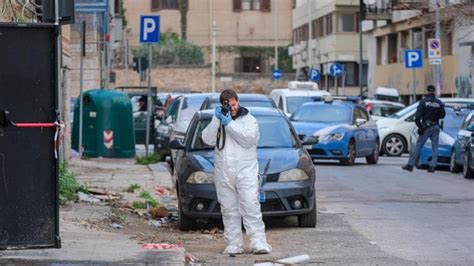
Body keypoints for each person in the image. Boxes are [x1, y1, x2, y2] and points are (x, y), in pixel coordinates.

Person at [201, 89, 272, 255]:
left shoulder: (249, 120)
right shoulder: (218, 119)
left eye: (233, 104)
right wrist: (216, 122)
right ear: (222, 105)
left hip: (245, 171)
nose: (232, 108)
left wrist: (229, 124)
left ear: (238, 102)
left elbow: (248, 140)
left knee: (250, 206)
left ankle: (258, 242)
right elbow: (207, 139)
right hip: (224, 172)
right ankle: (233, 243)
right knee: (228, 209)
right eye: (228, 105)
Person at [402, 85, 446, 173]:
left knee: (418, 146)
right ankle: (432, 167)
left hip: (426, 127)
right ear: (434, 92)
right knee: (435, 147)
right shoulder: (439, 102)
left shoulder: (423, 102)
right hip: (436, 126)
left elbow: (417, 116)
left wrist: (420, 126)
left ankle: (410, 165)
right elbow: (443, 115)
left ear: (427, 91)